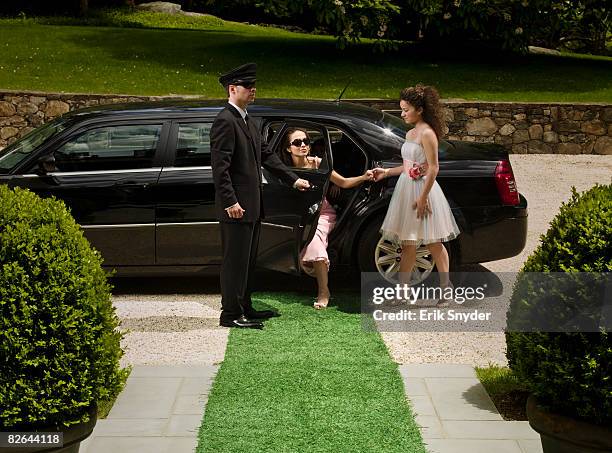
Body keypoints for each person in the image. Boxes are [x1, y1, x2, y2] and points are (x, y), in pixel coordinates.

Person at [211, 63, 311, 329]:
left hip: (252, 205)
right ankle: (230, 314)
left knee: (246, 261)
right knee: (234, 261)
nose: (253, 90)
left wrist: (293, 179)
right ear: (233, 89)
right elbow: (220, 169)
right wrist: (231, 201)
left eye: (254, 86)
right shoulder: (225, 121)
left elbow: (267, 155)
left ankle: (244, 307)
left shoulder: (247, 119)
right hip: (236, 206)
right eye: (248, 86)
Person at [373, 84, 460, 306]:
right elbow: (408, 166)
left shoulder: (428, 133)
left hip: (423, 191)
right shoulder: (411, 133)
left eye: (405, 110)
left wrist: (423, 197)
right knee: (407, 242)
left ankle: (445, 288)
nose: (402, 114)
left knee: (434, 242)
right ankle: (403, 292)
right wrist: (386, 172)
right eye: (401, 110)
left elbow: (433, 167)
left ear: (419, 109)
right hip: (406, 188)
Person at [280, 128, 373, 309]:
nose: (303, 146)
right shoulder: (283, 169)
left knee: (315, 241)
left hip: (322, 214)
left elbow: (344, 182)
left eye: (306, 141)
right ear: (288, 149)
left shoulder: (318, 164)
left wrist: (364, 177)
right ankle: (308, 264)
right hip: (297, 215)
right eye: (297, 143)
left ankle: (324, 291)